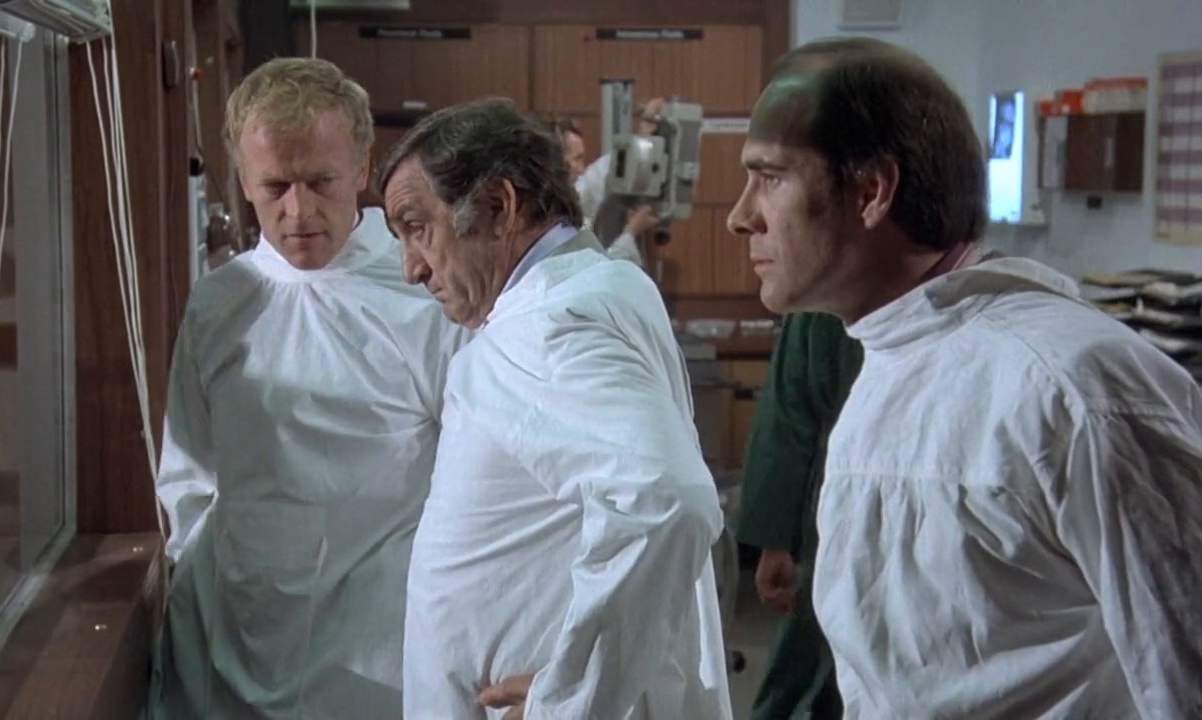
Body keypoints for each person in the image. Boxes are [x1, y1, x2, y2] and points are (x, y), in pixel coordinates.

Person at [726, 36, 1202, 718]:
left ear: (871, 191)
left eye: (770, 178)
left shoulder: (1075, 386)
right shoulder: (891, 360)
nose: (741, 216)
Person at [379, 97, 733, 720]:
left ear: (498, 207)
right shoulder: (601, 285)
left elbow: (667, 501)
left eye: (417, 228)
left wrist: (570, 698)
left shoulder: (542, 327)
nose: (410, 268)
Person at [148, 57, 467, 718]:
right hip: (237, 637)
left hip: (382, 646)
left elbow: (476, 474)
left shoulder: (425, 291)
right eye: (275, 186)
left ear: (362, 167)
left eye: (321, 181)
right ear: (244, 180)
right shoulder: (220, 304)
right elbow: (190, 477)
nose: (298, 211)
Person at [737, 312, 860, 720]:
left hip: (837, 503)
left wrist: (775, 541)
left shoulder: (821, 302)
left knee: (815, 653)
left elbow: (789, 420)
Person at [540, 109, 662, 266]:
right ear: (557, 162)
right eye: (577, 159)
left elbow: (606, 170)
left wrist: (642, 141)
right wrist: (630, 232)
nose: (581, 169)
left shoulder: (573, 198)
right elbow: (598, 270)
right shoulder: (550, 219)